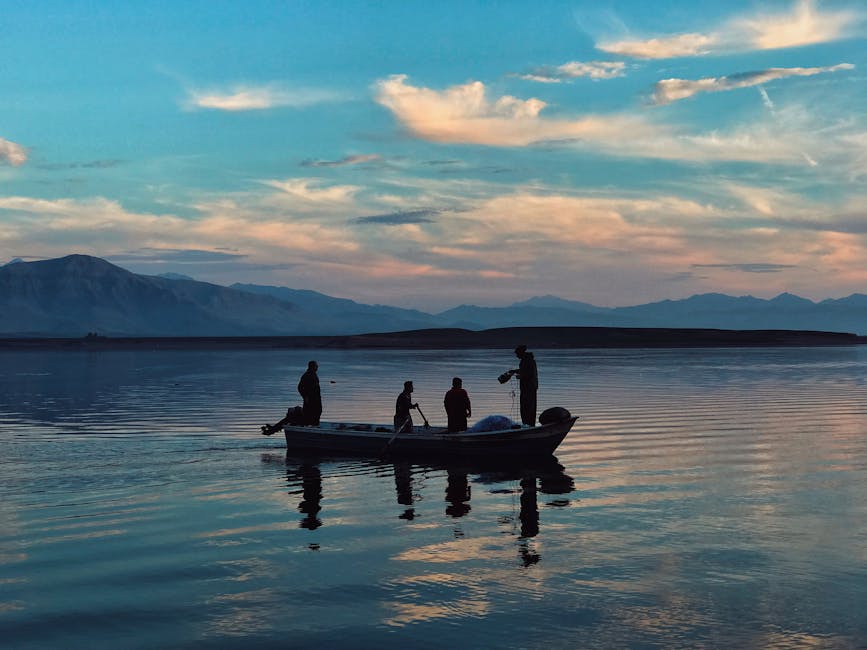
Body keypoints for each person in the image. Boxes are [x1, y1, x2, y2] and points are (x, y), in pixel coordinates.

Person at [506, 345, 538, 426]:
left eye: (517, 354)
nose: (516, 356)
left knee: (528, 408)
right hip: (526, 388)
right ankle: (527, 424)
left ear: (521, 353)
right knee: (525, 408)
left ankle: (529, 425)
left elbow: (530, 373)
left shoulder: (528, 361)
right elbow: (524, 370)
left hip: (529, 388)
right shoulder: (525, 360)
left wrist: (520, 376)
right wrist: (514, 371)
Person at [297, 360, 322, 426]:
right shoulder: (306, 375)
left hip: (316, 399)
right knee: (310, 414)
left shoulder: (313, 374)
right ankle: (310, 427)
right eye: (316, 366)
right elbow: (300, 387)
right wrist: (305, 396)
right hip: (310, 399)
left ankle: (315, 426)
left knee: (317, 412)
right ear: (312, 367)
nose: (317, 367)